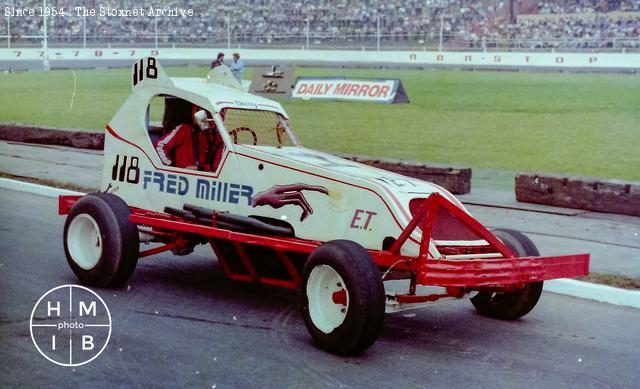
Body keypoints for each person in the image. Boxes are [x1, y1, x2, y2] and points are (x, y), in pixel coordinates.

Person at [155, 105, 223, 172]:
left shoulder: (218, 137)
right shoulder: (184, 129)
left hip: (202, 177)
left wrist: (199, 168)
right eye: (208, 114)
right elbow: (160, 146)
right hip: (180, 176)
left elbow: (216, 166)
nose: (210, 120)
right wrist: (171, 167)